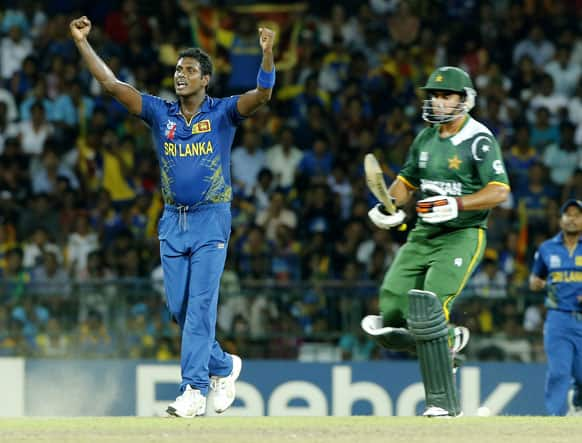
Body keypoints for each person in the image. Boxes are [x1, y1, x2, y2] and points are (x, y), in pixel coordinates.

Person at [70, 16, 276, 418]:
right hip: (172, 221)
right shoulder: (159, 113)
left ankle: (193, 390)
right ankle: (223, 365)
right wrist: (82, 44)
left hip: (211, 218)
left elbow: (263, 95)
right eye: (178, 69)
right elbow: (112, 86)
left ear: (205, 80)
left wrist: (267, 55)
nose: (180, 75)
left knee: (199, 307)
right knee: (180, 309)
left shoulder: (222, 113)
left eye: (190, 70)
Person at [361, 66, 510, 417]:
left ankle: (442, 402)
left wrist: (455, 203)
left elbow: (499, 191)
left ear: (465, 100)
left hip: (462, 235)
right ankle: (448, 340)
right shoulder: (425, 138)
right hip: (424, 233)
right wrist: (390, 206)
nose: (438, 102)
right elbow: (406, 182)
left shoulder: (480, 141)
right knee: (393, 309)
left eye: (446, 96)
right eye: (435, 96)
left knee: (430, 303)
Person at [530, 199, 582, 416]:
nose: (571, 218)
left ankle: (577, 403)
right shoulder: (546, 248)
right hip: (558, 318)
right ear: (560, 220)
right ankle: (553, 419)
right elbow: (535, 279)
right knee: (559, 372)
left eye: (577, 214)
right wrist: (537, 283)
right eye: (567, 214)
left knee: (581, 376)